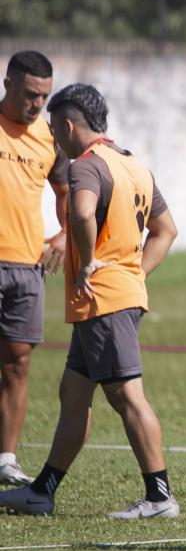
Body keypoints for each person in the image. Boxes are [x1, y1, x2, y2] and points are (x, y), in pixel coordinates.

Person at [0, 83, 179, 518]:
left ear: (66, 125)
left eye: (54, 128)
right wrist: (134, 273)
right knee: (73, 393)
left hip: (103, 299)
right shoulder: (133, 165)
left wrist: (89, 263)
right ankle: (42, 491)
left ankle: (159, 497)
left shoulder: (86, 166)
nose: (53, 138)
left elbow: (80, 212)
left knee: (126, 396)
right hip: (116, 294)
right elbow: (166, 230)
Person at [0, 52, 69, 486]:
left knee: (17, 364)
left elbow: (65, 189)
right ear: (7, 83)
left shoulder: (48, 137)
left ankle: (5, 458)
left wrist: (63, 235)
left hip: (27, 267)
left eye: (43, 97)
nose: (36, 105)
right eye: (29, 95)